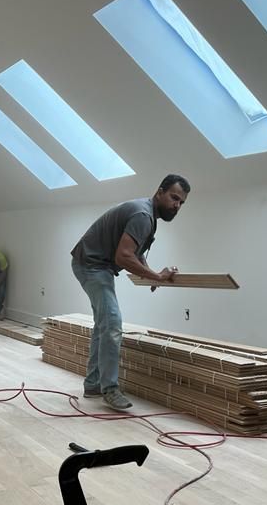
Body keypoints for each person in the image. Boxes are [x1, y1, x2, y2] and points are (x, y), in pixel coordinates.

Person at [71, 175, 190, 411]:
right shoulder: (143, 216)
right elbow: (123, 257)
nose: (176, 205)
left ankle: (94, 384)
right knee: (113, 323)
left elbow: (134, 252)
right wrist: (155, 276)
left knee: (103, 324)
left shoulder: (147, 215)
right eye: (174, 198)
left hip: (97, 264)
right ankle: (110, 389)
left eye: (181, 203)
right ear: (160, 191)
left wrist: (150, 274)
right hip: (91, 265)